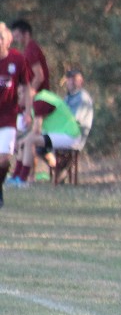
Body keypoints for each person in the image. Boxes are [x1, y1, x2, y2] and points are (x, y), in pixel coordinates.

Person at [16, 88, 83, 178]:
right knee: (27, 141)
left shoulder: (40, 101)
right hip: (61, 134)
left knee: (29, 140)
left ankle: (22, 178)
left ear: (30, 92)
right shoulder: (39, 99)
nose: (18, 97)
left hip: (69, 135)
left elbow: (36, 130)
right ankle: (21, 176)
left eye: (20, 94)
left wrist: (22, 140)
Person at [0, 22, 30, 202]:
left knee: (4, 159)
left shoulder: (17, 60)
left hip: (8, 115)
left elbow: (26, 86)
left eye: (1, 38)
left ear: (7, 41)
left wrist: (27, 111)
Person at [10, 19, 49, 101]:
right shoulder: (30, 49)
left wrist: (27, 96)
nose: (16, 40)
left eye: (18, 36)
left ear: (26, 34)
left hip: (39, 97)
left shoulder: (31, 50)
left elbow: (39, 76)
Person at [63, 69, 94, 147]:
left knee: (38, 140)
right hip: (64, 133)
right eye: (69, 79)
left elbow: (75, 121)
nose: (71, 82)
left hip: (74, 137)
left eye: (74, 79)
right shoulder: (68, 97)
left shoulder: (82, 98)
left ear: (81, 81)